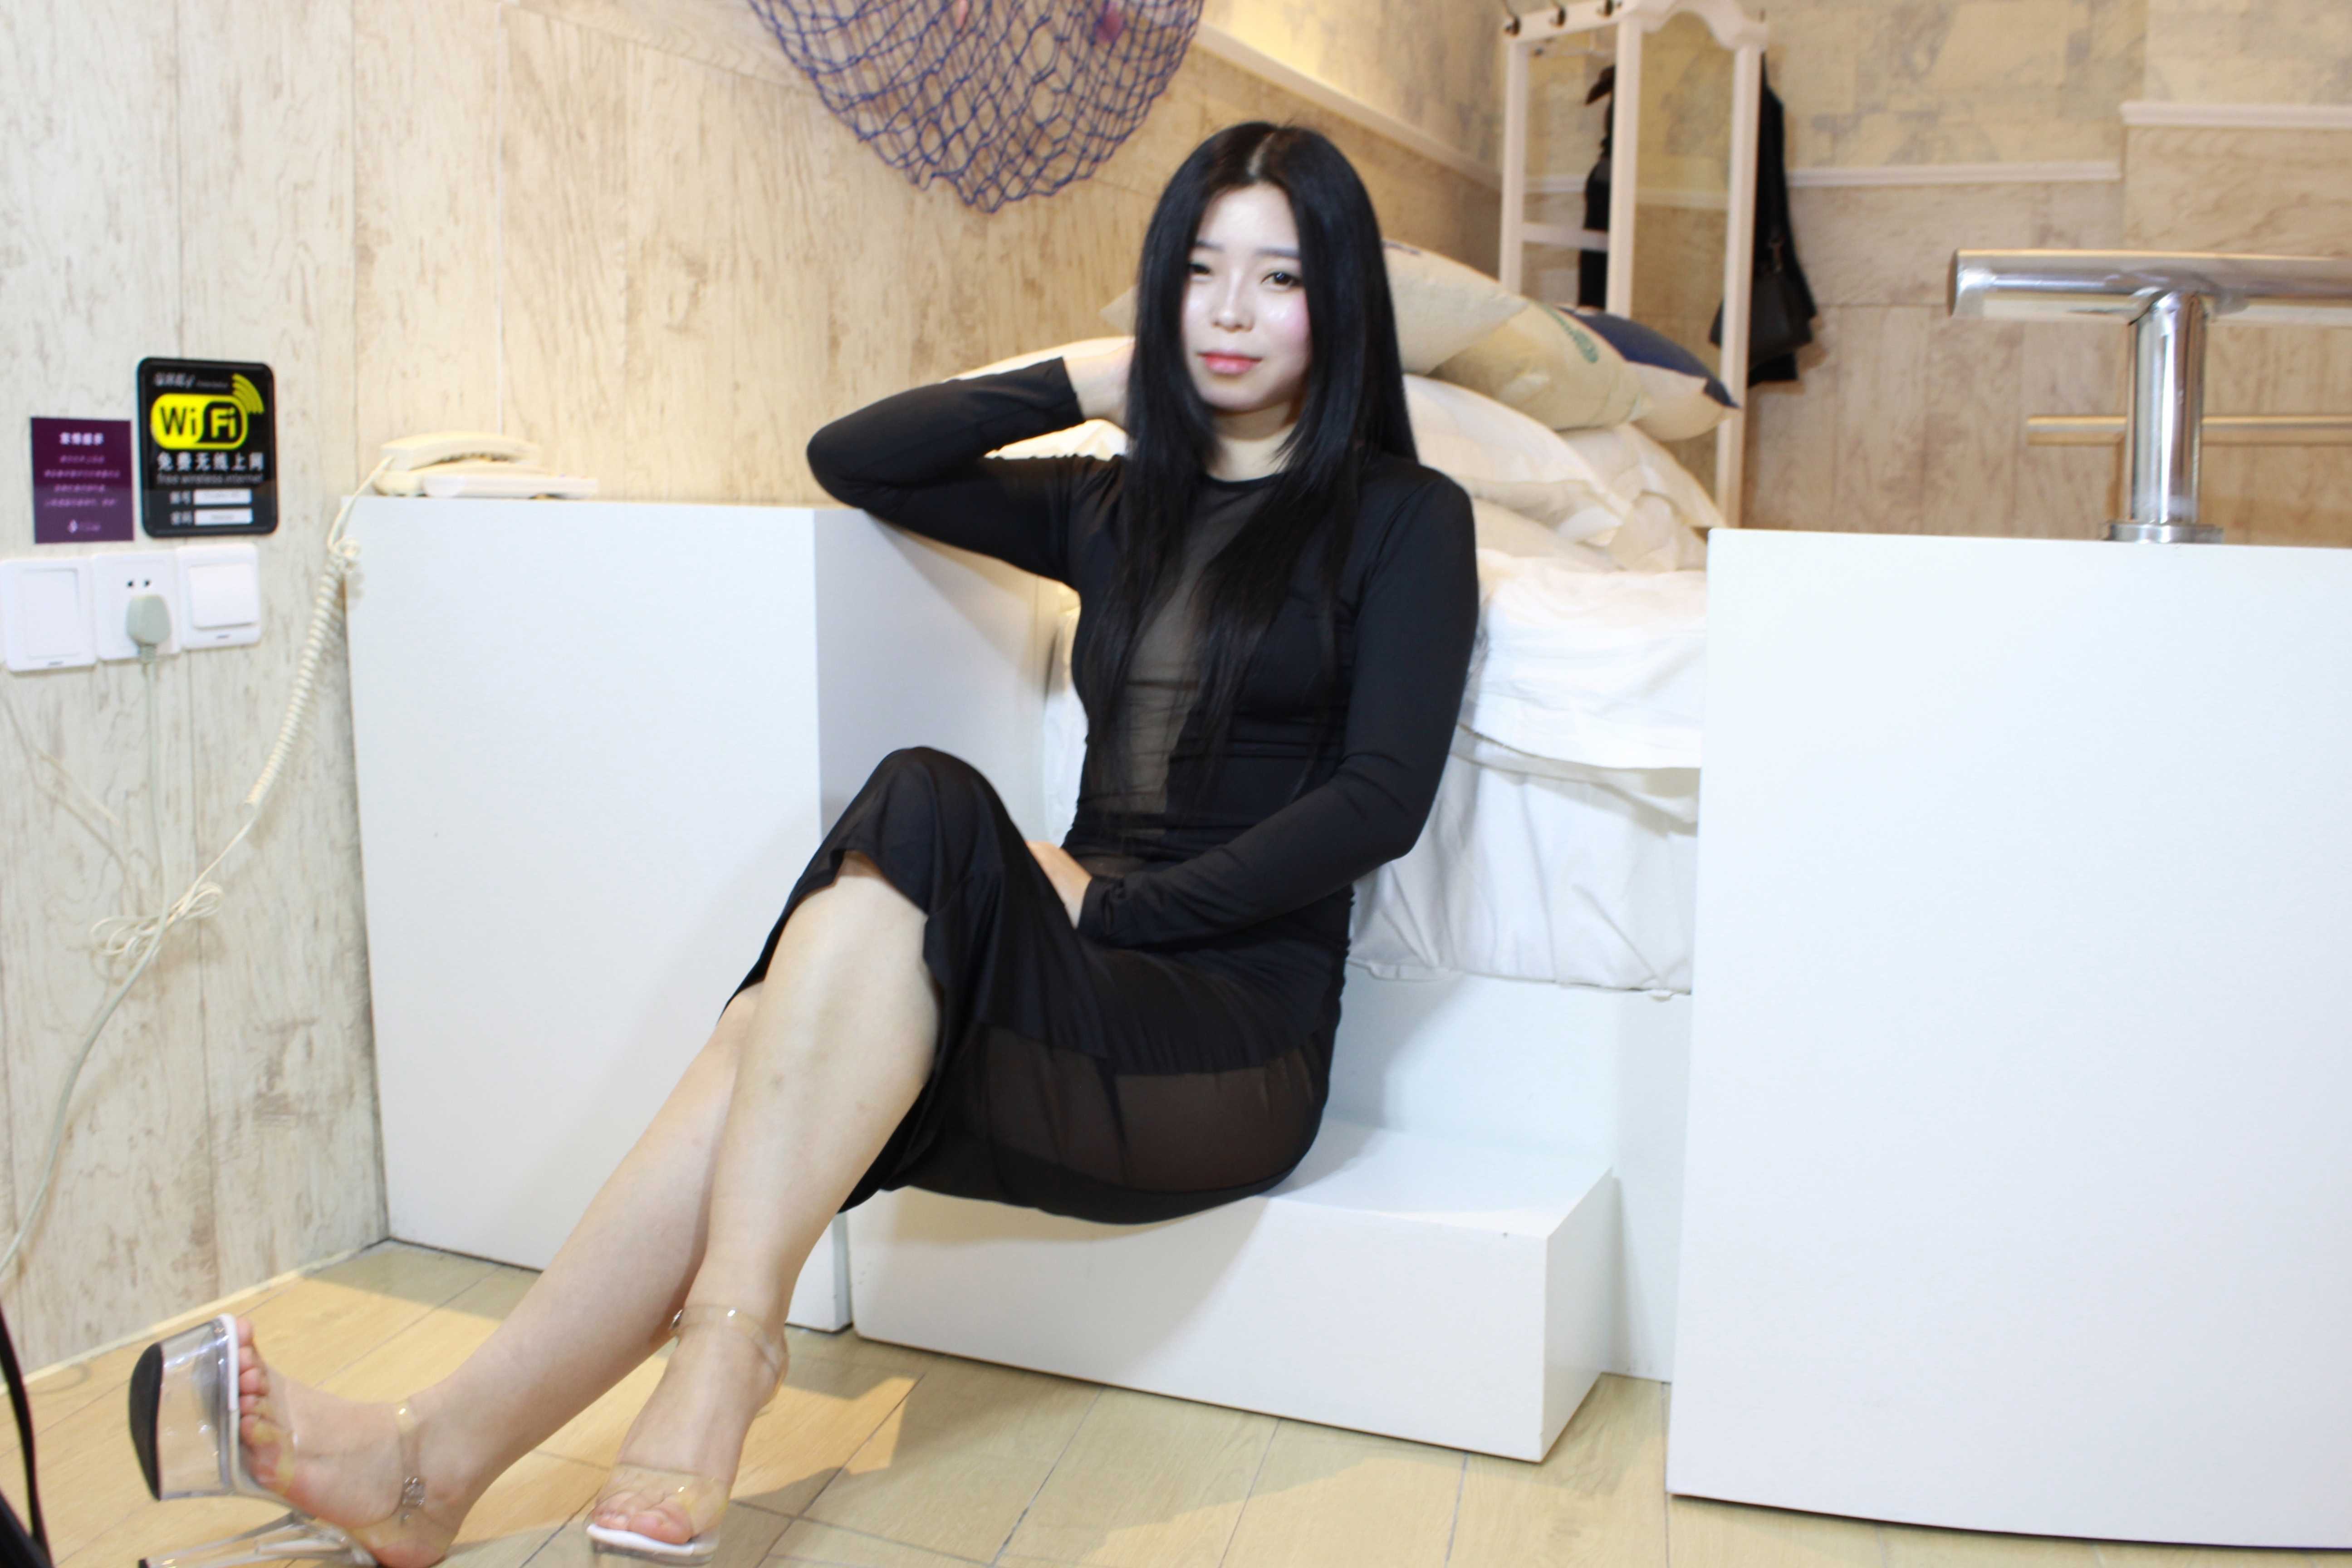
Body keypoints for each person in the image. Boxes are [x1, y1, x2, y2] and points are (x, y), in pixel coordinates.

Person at [132, 121, 1476, 1568]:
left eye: (1279, 278)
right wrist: (1101, 375)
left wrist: (1114, 915)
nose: (1230, 311)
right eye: (1199, 271)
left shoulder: (1406, 520)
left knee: (872, 882)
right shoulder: (1116, 506)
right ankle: (486, 1445)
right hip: (1085, 979)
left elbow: (1377, 802)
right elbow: (859, 457)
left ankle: (559, 1409)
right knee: (848, 911)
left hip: (1230, 1035)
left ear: (1340, 302)